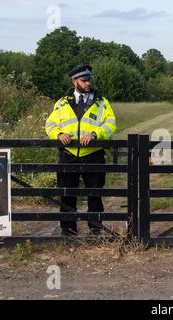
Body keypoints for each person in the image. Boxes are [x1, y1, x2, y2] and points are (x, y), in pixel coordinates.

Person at [45, 64, 117, 236]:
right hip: (68, 156)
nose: (87, 84)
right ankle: (68, 230)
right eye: (84, 81)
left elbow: (110, 124)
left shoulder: (101, 102)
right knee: (67, 195)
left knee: (94, 195)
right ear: (74, 81)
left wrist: (95, 133)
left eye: (89, 80)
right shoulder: (61, 103)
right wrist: (58, 134)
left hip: (93, 155)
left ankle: (95, 230)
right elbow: (50, 124)